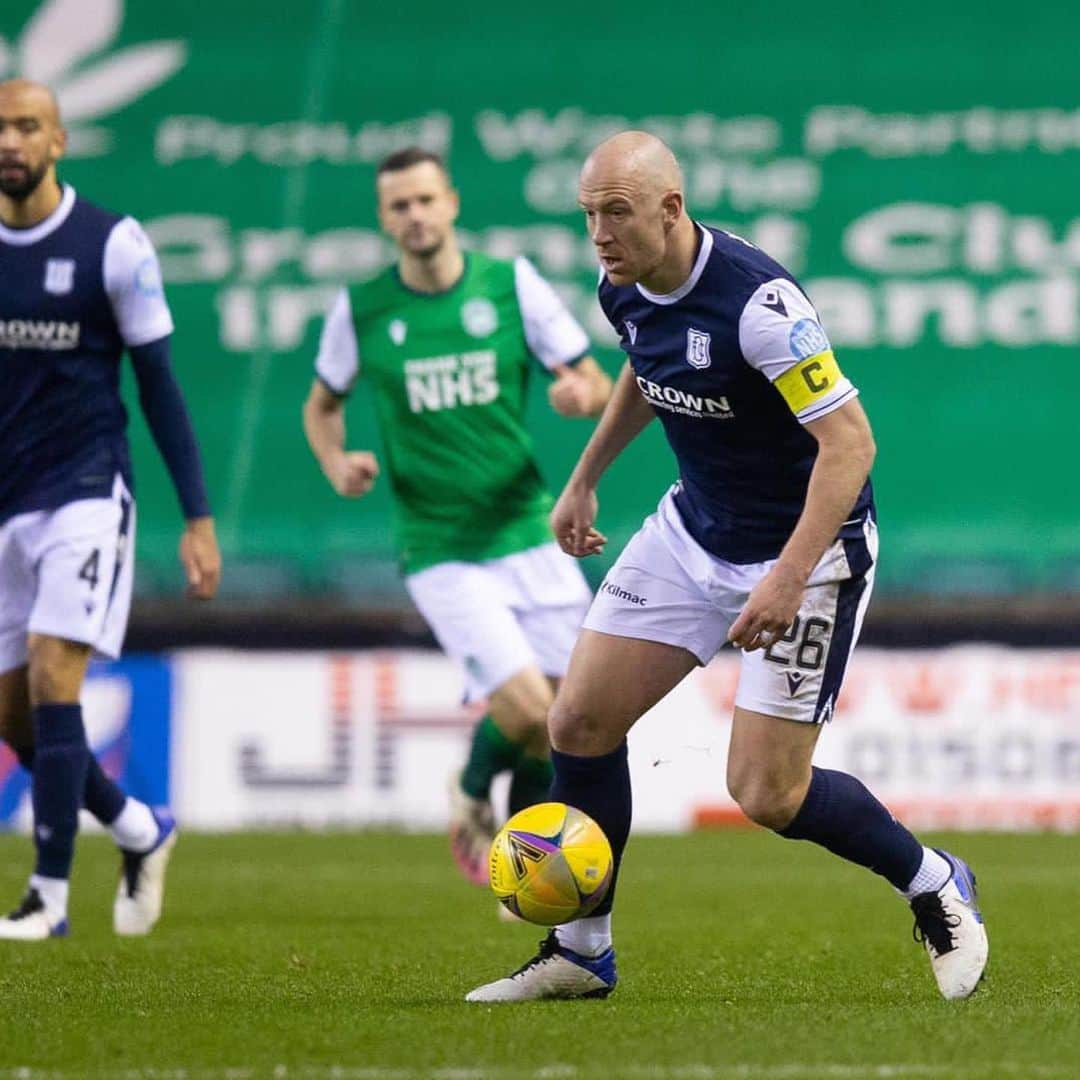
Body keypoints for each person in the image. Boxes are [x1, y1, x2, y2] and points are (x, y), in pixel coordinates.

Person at [466, 131, 988, 1002]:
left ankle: (934, 881)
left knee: (765, 792)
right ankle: (581, 950)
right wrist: (584, 478)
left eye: (617, 213)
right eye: (588, 214)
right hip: (691, 532)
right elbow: (646, 369)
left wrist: (786, 576)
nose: (599, 233)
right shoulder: (620, 284)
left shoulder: (761, 306)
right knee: (579, 721)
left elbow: (850, 444)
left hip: (807, 552)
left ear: (671, 208)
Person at [303, 147, 612, 885]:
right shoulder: (364, 308)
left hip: (529, 531)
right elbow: (321, 406)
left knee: (565, 723)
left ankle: (527, 867)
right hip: (441, 546)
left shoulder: (510, 285)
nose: (413, 216)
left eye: (424, 200)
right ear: (384, 219)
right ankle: (475, 792)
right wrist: (337, 463)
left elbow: (594, 378)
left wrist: (582, 396)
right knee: (535, 712)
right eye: (398, 206)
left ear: (451, 202)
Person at [0, 80, 220, 940]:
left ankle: (46, 897)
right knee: (15, 714)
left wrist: (197, 517)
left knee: (58, 678)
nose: (9, 141)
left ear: (59, 141)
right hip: (6, 502)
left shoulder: (112, 245)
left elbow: (159, 385)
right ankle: (138, 826)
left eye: (25, 126)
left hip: (85, 490)